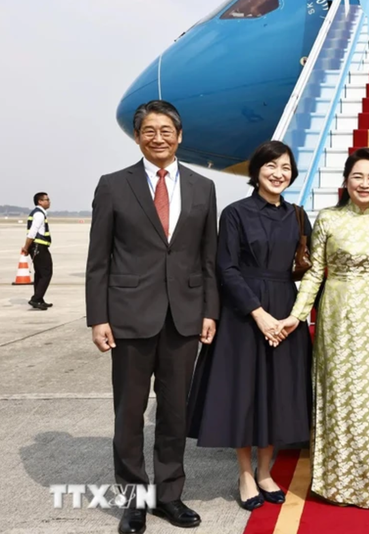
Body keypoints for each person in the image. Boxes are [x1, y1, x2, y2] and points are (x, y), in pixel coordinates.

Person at [85, 100, 219, 534]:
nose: (157, 137)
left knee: (175, 411)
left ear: (180, 136)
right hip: (127, 317)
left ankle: (169, 495)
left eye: (166, 130)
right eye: (149, 130)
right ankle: (134, 499)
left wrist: (209, 311)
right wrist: (97, 317)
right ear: (138, 136)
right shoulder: (113, 186)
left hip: (184, 317)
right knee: (129, 411)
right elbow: (98, 260)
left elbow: (207, 259)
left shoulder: (203, 188)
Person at [186, 140, 312, 511]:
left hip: (285, 311)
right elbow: (226, 268)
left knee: (275, 393)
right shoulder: (236, 213)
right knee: (245, 393)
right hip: (244, 314)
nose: (279, 173)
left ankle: (266, 471)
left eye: (286, 167)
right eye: (271, 166)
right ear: (256, 171)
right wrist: (259, 314)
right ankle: (244, 472)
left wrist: (290, 317)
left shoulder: (298, 215)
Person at [277, 147, 369, 509]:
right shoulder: (328, 218)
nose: (365, 183)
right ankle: (337, 484)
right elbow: (314, 273)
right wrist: (296, 316)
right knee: (339, 397)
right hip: (336, 315)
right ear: (346, 181)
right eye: (358, 176)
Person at [21, 192, 54, 310]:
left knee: (39, 273)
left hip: (37, 247)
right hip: (39, 247)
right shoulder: (39, 214)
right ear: (40, 201)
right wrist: (26, 247)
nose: (49, 202)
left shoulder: (37, 213)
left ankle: (39, 299)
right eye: (47, 199)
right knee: (46, 272)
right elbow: (32, 232)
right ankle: (36, 299)